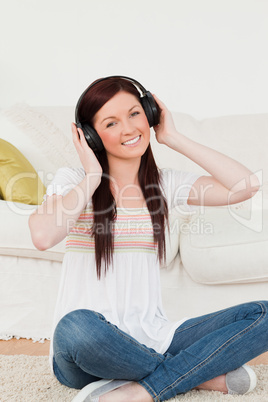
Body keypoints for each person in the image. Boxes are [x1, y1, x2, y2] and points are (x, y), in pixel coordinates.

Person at [29, 76, 268, 402]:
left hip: (154, 337)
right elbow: (43, 236)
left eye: (135, 114)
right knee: (76, 326)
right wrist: (92, 177)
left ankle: (139, 390)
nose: (129, 128)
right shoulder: (74, 181)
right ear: (90, 136)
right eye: (111, 122)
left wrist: (172, 137)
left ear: (151, 114)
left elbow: (246, 187)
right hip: (84, 349)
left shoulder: (165, 185)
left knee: (264, 313)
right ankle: (196, 377)